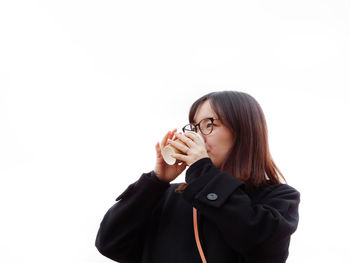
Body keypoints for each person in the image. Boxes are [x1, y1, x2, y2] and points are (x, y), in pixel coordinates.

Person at [95, 91, 300, 263]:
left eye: (208, 124)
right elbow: (111, 244)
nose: (197, 136)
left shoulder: (279, 197)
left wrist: (202, 171)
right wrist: (156, 182)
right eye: (194, 127)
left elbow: (260, 246)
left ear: (242, 131)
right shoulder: (169, 196)